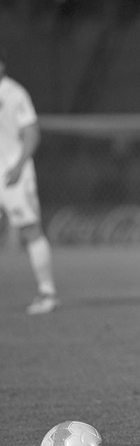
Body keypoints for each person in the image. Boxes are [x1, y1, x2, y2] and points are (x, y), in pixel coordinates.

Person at [0, 48, 59, 315]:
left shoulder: (14, 93)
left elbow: (31, 132)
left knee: (30, 230)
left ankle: (47, 293)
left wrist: (19, 165)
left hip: (12, 173)